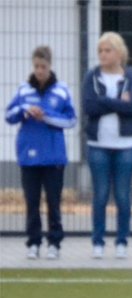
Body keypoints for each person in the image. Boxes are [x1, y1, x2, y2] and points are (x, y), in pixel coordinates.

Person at [5, 45, 76, 260]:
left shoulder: (61, 90)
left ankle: (54, 242)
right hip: (29, 156)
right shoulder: (24, 90)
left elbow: (71, 120)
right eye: (36, 66)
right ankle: (33, 242)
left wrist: (45, 116)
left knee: (53, 202)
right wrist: (25, 111)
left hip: (54, 156)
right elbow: (9, 115)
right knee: (32, 202)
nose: (39, 71)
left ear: (50, 66)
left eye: (43, 66)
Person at [81, 32, 132, 259]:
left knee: (123, 195)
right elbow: (89, 107)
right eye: (100, 51)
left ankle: (122, 241)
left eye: (107, 50)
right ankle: (98, 241)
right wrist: (117, 102)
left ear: (119, 53)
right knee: (100, 195)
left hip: (125, 144)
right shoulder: (92, 77)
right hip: (98, 144)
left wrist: (105, 102)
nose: (103, 55)